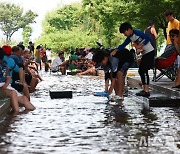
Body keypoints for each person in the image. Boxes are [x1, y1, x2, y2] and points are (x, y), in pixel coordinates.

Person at [111, 22, 155, 97]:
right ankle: (145, 89)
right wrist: (116, 50)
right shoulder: (130, 38)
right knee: (141, 70)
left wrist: (141, 45)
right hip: (145, 53)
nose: (124, 34)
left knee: (143, 70)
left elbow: (148, 38)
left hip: (150, 52)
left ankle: (146, 90)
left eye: (124, 32)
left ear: (129, 29)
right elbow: (123, 45)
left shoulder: (137, 32)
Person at [0, 48, 35, 114]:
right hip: (7, 86)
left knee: (23, 97)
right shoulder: (10, 60)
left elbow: (8, 77)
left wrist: (6, 85)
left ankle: (18, 116)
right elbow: (19, 69)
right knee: (19, 91)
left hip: (7, 85)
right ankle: (16, 116)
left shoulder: (5, 63)